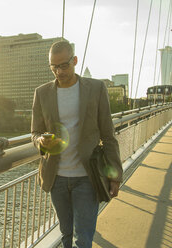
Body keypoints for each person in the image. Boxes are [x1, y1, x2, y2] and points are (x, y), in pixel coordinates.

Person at [31, 40, 123, 248]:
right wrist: (40, 141)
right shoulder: (42, 93)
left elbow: (108, 135)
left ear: (74, 60)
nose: (59, 71)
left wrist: (115, 175)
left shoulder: (96, 88)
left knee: (82, 238)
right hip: (57, 177)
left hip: (87, 177)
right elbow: (34, 133)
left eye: (64, 65)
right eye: (54, 67)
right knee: (66, 234)